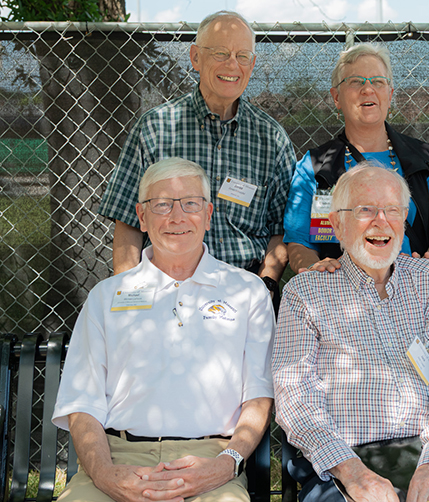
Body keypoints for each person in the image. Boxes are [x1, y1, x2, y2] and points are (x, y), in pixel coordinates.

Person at [273, 163, 429, 502]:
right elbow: (295, 395)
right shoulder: (305, 293)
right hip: (343, 461)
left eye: (393, 210)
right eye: (365, 210)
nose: (381, 221)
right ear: (336, 223)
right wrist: (352, 473)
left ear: (404, 218)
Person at [53, 157, 275, 502]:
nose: (177, 217)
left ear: (208, 215)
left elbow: (259, 396)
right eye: (161, 205)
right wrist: (105, 474)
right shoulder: (106, 296)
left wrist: (225, 464)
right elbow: (82, 404)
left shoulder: (247, 292)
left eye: (191, 204)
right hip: (118, 458)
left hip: (210, 461)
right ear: (141, 217)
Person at [98, 10, 296, 301]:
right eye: (220, 53)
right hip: (165, 291)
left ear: (252, 65)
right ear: (195, 58)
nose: (232, 64)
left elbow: (282, 229)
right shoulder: (155, 128)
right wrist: (128, 298)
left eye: (242, 56)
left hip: (243, 294)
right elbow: (127, 221)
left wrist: (264, 288)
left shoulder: (271, 139)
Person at [284, 43, 429, 274]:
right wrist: (317, 271)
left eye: (378, 81)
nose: (368, 89)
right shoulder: (314, 166)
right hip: (341, 288)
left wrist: (425, 271)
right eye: (356, 81)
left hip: (415, 285)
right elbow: (298, 243)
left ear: (390, 94)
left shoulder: (426, 159)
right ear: (336, 97)